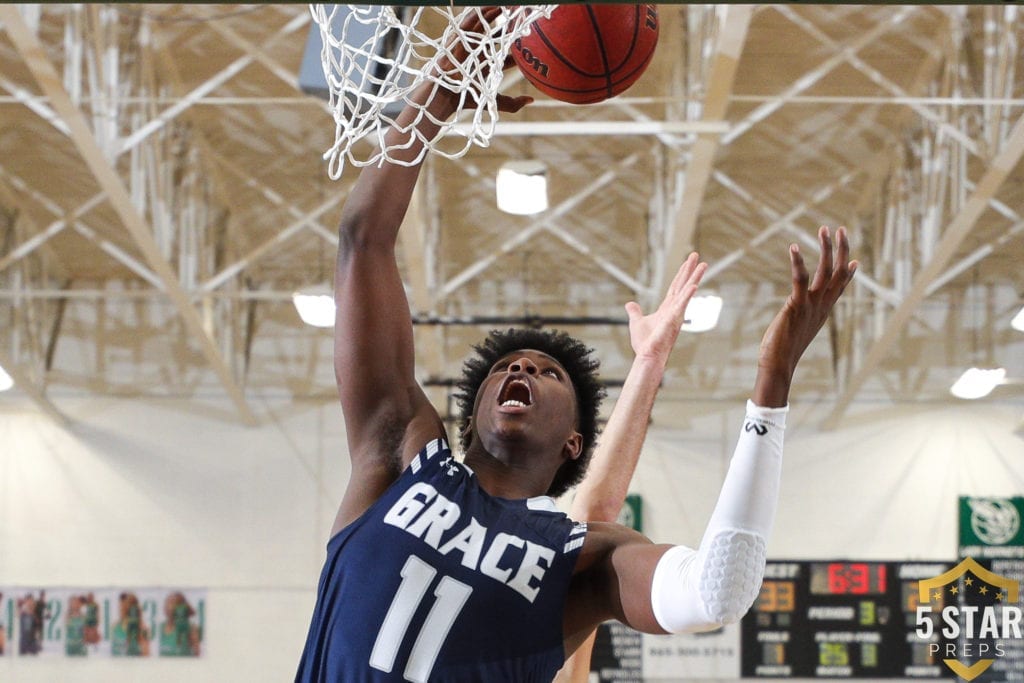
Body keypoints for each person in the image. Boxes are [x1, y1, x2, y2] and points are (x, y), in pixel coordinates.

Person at [296, 8, 856, 682]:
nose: (523, 365)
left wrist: (772, 382)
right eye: (507, 365)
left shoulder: (579, 560)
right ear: (470, 411)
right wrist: (447, 79)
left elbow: (719, 589)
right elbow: (364, 240)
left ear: (573, 443)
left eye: (548, 372)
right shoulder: (399, 453)